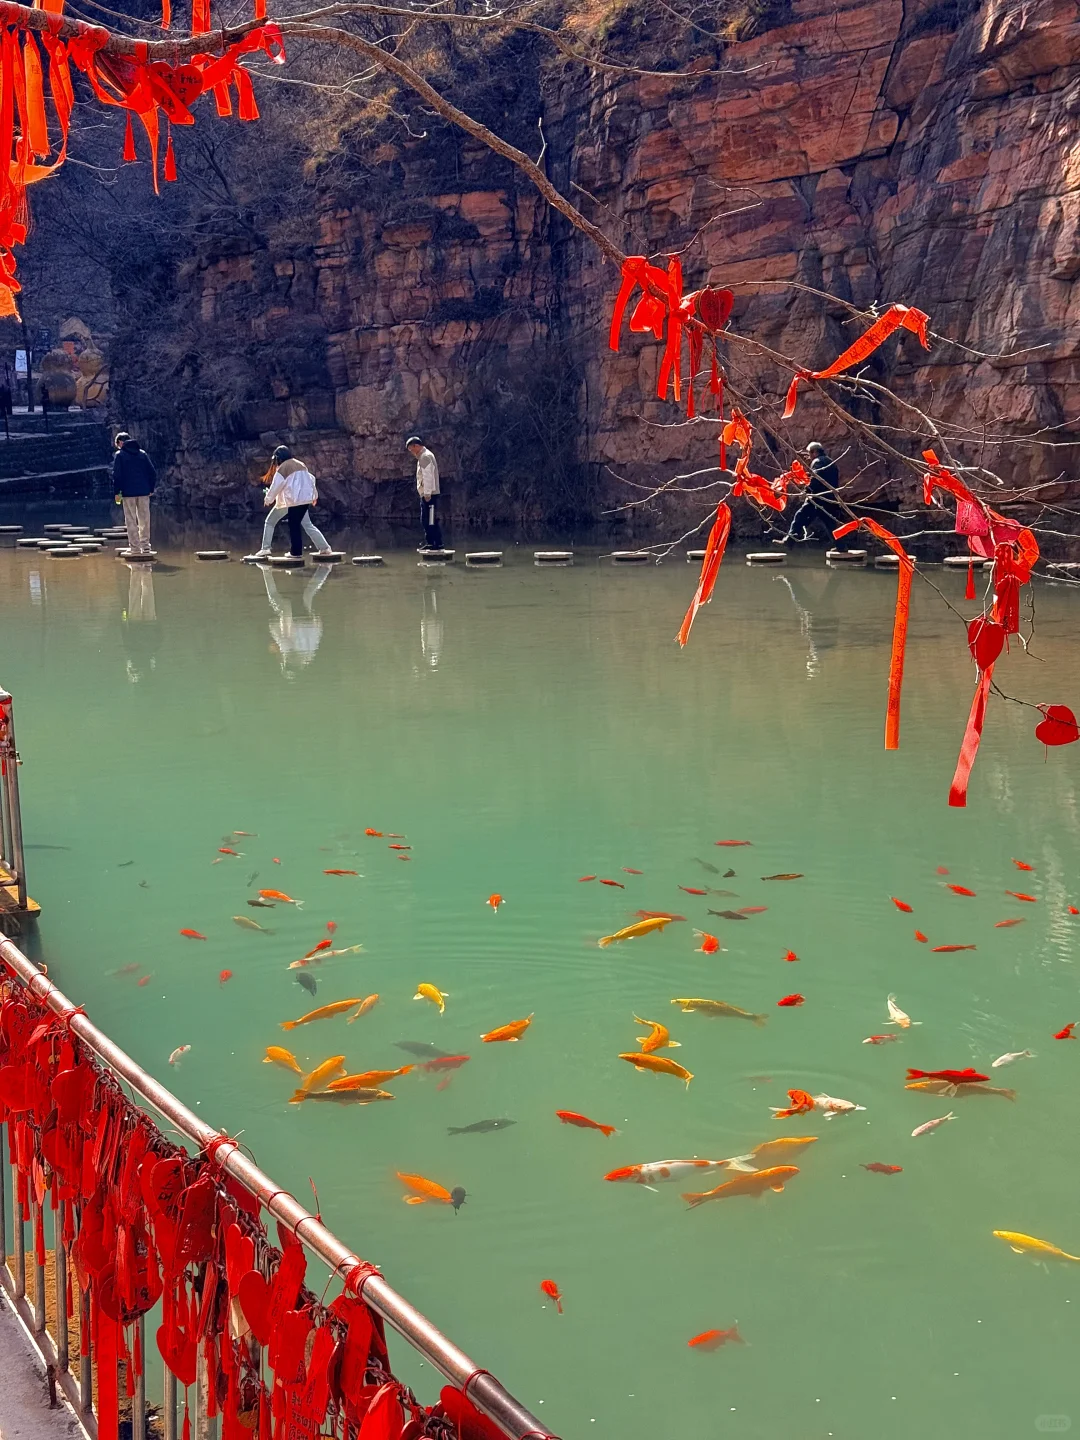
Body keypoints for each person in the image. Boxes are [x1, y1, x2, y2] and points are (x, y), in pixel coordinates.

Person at [258, 446, 332, 559]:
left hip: (291, 501)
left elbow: (276, 486)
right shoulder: (300, 464)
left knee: (271, 522)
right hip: (303, 500)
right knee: (307, 525)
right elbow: (311, 479)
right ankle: (325, 548)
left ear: (278, 458)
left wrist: (268, 499)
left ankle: (266, 549)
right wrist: (314, 496)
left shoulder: (283, 468)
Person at [775, 441, 843, 545]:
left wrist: (806, 491)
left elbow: (816, 479)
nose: (809, 456)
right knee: (830, 524)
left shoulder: (817, 462)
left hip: (817, 498)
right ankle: (841, 547)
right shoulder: (831, 462)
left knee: (800, 516)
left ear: (815, 452)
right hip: (830, 498)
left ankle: (790, 540)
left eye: (810, 453)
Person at [112, 431, 157, 557]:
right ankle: (146, 547)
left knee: (131, 520)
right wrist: (151, 488)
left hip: (127, 493)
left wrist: (117, 493)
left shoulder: (120, 455)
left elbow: (117, 476)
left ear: (121, 442)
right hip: (144, 492)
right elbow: (152, 472)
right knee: (145, 520)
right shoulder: (142, 454)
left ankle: (135, 549)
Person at [407, 435, 442, 551]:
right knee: (429, 519)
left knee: (428, 519)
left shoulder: (425, 457)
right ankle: (434, 542)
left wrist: (427, 494)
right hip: (430, 494)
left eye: (411, 449)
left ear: (416, 446)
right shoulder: (425, 455)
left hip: (429, 495)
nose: (412, 453)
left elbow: (428, 476)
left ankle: (434, 543)